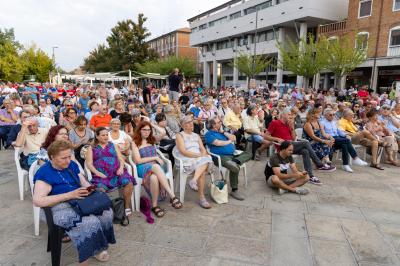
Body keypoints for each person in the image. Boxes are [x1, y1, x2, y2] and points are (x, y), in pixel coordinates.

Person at [33, 140, 115, 265]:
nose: (68, 160)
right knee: (90, 222)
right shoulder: (44, 173)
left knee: (106, 212)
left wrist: (90, 190)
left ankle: (98, 248)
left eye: (69, 156)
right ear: (52, 157)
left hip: (78, 200)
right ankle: (86, 256)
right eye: (63, 158)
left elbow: (83, 181)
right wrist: (69, 195)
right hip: (57, 207)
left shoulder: (71, 164)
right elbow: (38, 201)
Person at [267, 108, 336, 185]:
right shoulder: (275, 123)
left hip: (291, 145)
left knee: (305, 151)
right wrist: (277, 139)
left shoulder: (289, 124)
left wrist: (292, 128)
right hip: (282, 146)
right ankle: (319, 164)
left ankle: (310, 176)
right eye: (289, 114)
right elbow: (265, 136)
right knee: (305, 143)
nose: (291, 116)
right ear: (283, 115)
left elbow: (293, 138)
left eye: (291, 115)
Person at [131, 121, 182, 217]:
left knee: (154, 177)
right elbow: (138, 160)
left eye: (148, 130)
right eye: (144, 130)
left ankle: (154, 206)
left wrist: (152, 124)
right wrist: (155, 157)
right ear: (139, 130)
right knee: (155, 166)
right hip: (143, 167)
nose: (147, 132)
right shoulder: (135, 142)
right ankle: (172, 196)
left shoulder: (152, 139)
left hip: (155, 168)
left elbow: (163, 132)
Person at [85, 127, 135, 216]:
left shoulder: (113, 145)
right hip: (102, 174)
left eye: (107, 135)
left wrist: (120, 168)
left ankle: (126, 206)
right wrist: (98, 173)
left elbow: (121, 159)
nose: (106, 137)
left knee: (129, 183)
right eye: (103, 135)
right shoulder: (91, 148)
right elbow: (89, 164)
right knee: (100, 189)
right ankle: (107, 209)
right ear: (97, 136)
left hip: (117, 173)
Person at [204, 117, 252, 201]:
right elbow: (218, 143)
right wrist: (229, 142)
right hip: (220, 156)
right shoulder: (209, 134)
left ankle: (236, 161)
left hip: (233, 155)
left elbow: (234, 138)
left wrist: (223, 132)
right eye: (219, 122)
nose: (221, 123)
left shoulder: (222, 132)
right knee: (234, 167)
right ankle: (234, 190)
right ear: (213, 125)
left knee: (249, 153)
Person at [175, 115, 214, 209]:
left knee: (206, 158)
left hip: (198, 159)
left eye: (191, 122)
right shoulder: (179, 135)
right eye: (188, 123)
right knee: (203, 170)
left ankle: (193, 180)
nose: (191, 124)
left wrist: (202, 154)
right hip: (186, 159)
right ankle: (202, 198)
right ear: (183, 125)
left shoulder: (196, 135)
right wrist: (199, 156)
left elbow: (202, 149)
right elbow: (183, 151)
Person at [320, 108, 368, 172]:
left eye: (334, 114)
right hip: (329, 139)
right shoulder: (322, 122)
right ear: (325, 115)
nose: (333, 116)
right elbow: (323, 134)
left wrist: (345, 135)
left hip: (337, 138)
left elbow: (339, 131)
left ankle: (345, 165)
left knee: (344, 144)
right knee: (347, 141)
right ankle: (355, 158)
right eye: (330, 115)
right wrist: (329, 137)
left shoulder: (334, 122)